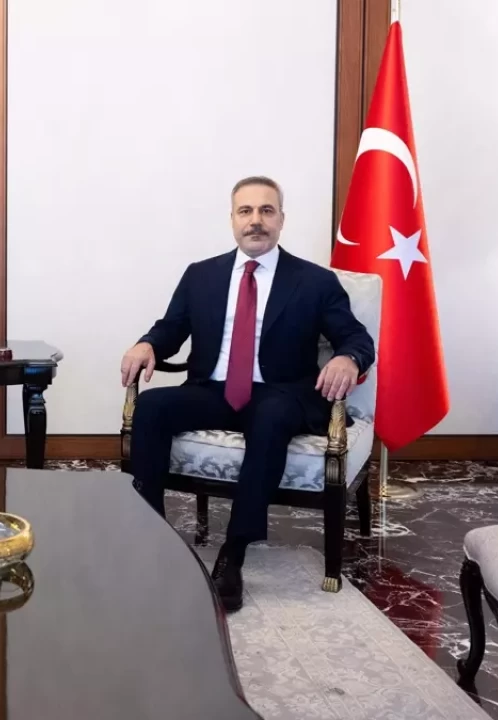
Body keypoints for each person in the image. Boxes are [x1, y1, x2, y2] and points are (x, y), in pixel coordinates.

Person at [119, 176, 374, 613]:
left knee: (270, 415)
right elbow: (171, 328)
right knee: (153, 406)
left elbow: (356, 337)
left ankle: (233, 552)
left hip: (282, 394)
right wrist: (147, 344)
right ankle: (151, 535)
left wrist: (347, 358)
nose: (256, 220)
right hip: (213, 390)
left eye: (266, 210)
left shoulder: (314, 281)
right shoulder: (201, 275)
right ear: (233, 220)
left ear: (281, 219)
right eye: (246, 211)